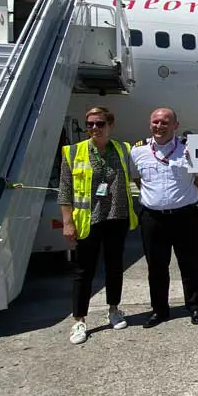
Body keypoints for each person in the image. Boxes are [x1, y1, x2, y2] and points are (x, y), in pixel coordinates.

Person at [58, 105, 138, 345]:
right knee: (84, 271)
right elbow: (65, 191)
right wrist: (67, 222)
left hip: (117, 217)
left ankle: (114, 309)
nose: (94, 128)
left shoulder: (124, 149)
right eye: (90, 124)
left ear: (111, 126)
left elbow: (139, 173)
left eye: (99, 124)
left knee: (114, 267)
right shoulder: (73, 152)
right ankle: (79, 320)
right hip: (88, 220)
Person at [128, 107, 198, 328]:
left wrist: (186, 197)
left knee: (190, 263)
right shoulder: (138, 151)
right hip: (152, 218)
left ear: (175, 125)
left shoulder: (188, 150)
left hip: (185, 216)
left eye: (165, 122)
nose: (159, 126)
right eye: (155, 122)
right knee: (156, 266)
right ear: (150, 124)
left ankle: (195, 306)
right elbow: (138, 180)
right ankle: (160, 310)